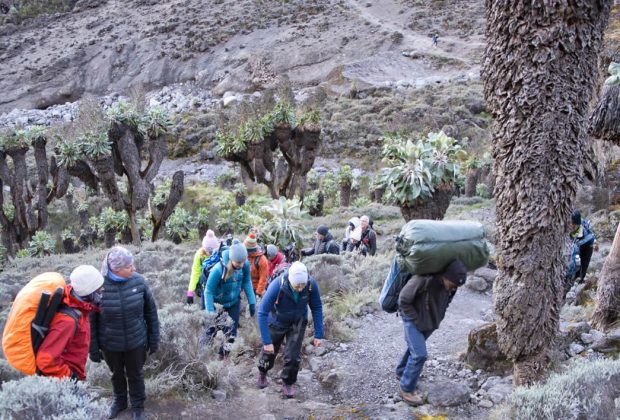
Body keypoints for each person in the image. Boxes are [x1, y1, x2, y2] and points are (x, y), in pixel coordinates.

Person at [90, 247, 160, 420]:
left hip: (136, 341)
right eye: (129, 267)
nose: (134, 269)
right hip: (110, 343)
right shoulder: (98, 287)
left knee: (136, 374)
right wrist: (93, 347)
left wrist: (154, 338)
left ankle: (138, 406)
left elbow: (151, 312)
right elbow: (91, 320)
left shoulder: (139, 282)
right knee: (116, 374)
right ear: (116, 269)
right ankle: (120, 401)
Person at [396, 259, 467, 406]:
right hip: (412, 320)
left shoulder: (452, 286)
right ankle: (406, 388)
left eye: (457, 286)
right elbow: (403, 300)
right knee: (420, 354)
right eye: (453, 284)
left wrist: (438, 317)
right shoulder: (423, 279)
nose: (454, 288)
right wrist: (416, 320)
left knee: (414, 348)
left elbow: (446, 302)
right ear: (445, 276)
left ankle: (402, 371)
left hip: (430, 323)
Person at [256, 262, 324, 398]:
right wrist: (266, 341)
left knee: (293, 355)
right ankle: (263, 372)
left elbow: (316, 307)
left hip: (297, 321)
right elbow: (262, 312)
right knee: (269, 352)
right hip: (277, 320)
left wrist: (319, 334)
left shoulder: (311, 285)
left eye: (302, 285)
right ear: (290, 280)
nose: (300, 289)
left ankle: (288, 382)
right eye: (297, 285)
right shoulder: (277, 285)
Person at [36, 265, 104, 380]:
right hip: (65, 381)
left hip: (71, 375)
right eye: (98, 290)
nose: (102, 293)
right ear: (88, 291)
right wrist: (71, 377)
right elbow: (45, 360)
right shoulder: (68, 321)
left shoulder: (79, 306)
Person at [204, 239, 256, 355]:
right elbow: (208, 292)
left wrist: (252, 302)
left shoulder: (245, 264)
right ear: (231, 259)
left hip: (233, 303)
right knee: (211, 331)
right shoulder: (218, 269)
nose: (241, 265)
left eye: (243, 262)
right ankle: (203, 356)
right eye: (238, 262)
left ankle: (224, 357)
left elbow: (247, 282)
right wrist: (211, 313)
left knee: (232, 333)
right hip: (217, 304)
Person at [187, 230, 220, 306]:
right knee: (206, 313)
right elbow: (195, 273)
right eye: (208, 251)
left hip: (219, 289)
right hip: (204, 288)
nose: (210, 253)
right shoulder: (199, 255)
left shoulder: (220, 254)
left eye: (212, 251)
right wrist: (190, 292)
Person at [570, 210, 595, 283]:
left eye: (573, 223)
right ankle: (575, 276)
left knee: (584, 261)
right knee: (577, 258)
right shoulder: (579, 222)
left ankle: (580, 279)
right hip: (581, 242)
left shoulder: (582, 230)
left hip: (588, 244)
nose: (571, 225)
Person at [245, 232, 269, 297]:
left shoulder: (262, 260)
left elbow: (263, 278)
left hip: (255, 288)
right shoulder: (244, 255)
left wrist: (258, 292)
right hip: (244, 286)